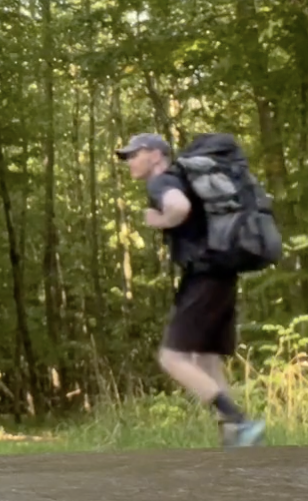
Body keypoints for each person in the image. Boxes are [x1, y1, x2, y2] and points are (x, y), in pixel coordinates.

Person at [116, 132, 266, 448]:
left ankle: (239, 422)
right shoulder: (186, 179)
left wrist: (158, 220)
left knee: (172, 358)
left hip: (203, 277)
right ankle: (234, 439)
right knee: (205, 359)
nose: (129, 161)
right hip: (222, 273)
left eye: (134, 154)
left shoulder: (162, 182)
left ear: (155, 155)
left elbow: (179, 208)